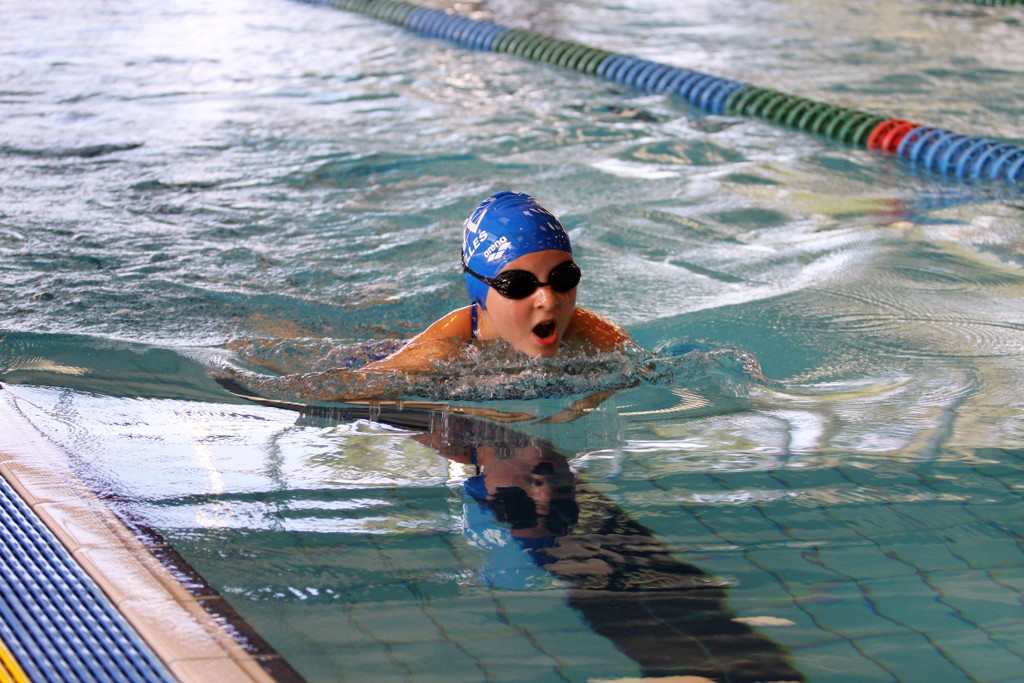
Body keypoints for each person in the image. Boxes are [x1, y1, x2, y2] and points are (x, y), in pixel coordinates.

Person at [362, 191, 632, 372]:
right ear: (479, 292)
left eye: (563, 278)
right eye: (519, 285)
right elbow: (352, 392)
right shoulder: (445, 346)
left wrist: (585, 404)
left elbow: (644, 371)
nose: (548, 300)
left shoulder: (587, 331)